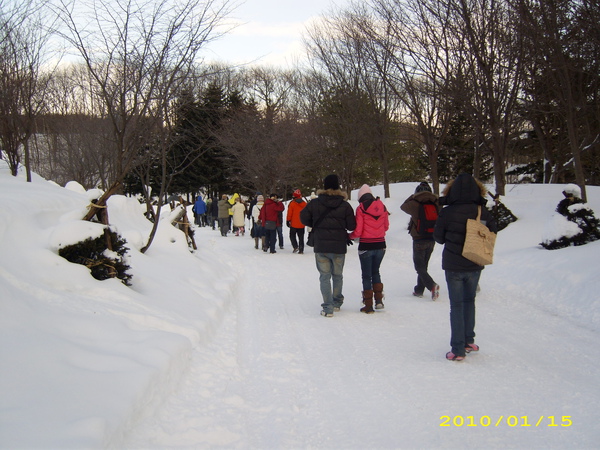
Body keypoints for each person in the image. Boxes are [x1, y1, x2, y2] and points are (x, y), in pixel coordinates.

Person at [433, 173, 497, 361]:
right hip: (475, 261)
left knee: (457, 305)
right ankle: (469, 340)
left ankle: (457, 349)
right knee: (470, 301)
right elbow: (493, 230)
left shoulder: (447, 211)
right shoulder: (481, 211)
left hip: (453, 265)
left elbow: (438, 238)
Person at [300, 174, 356, 317]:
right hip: (338, 246)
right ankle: (337, 302)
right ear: (338, 187)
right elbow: (352, 225)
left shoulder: (315, 203)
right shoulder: (344, 205)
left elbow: (303, 217)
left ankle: (328, 308)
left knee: (324, 276)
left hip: (321, 245)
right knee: (338, 275)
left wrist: (316, 224)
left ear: (324, 186)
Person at [349, 184, 389, 313]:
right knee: (376, 272)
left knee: (366, 276)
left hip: (366, 245)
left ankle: (368, 305)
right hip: (381, 245)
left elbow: (358, 231)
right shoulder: (382, 206)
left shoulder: (360, 208)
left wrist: (350, 236)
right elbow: (386, 226)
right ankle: (379, 301)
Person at [400, 182, 441, 300]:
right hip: (432, 237)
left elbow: (403, 206)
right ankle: (419, 290)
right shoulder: (435, 202)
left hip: (419, 239)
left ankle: (432, 285)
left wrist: (413, 196)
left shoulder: (414, 203)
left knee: (419, 266)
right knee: (424, 265)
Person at [287, 189, 307, 254]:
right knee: (301, 237)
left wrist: (288, 220)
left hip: (294, 224)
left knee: (292, 235)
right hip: (302, 223)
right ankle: (301, 250)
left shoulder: (292, 203)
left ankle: (295, 246)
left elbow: (289, 213)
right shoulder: (304, 204)